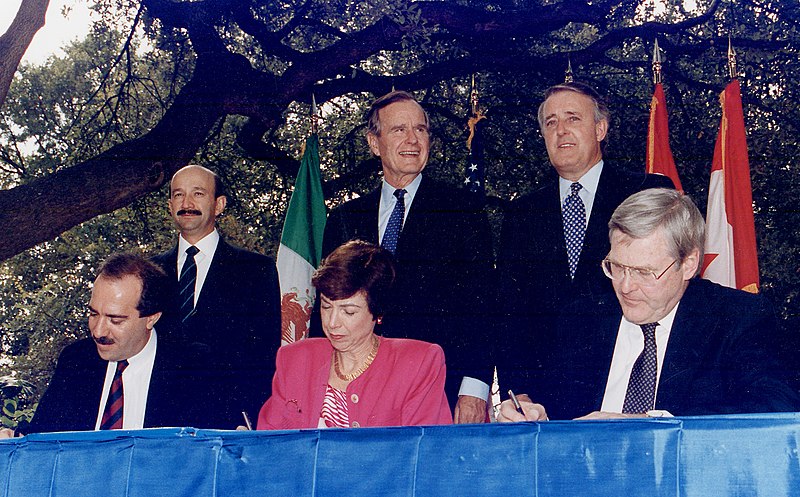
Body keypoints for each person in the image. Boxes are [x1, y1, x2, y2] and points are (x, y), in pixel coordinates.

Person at [497, 188, 800, 422]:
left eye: (643, 272)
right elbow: (555, 409)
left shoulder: (737, 318)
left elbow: (774, 408)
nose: (625, 286)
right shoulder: (582, 317)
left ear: (688, 263)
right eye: (616, 267)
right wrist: (536, 417)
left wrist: (648, 424)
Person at [322, 90, 495, 423]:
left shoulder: (463, 211)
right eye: (399, 129)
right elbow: (328, 308)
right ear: (375, 143)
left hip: (436, 389)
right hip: (354, 391)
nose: (413, 139)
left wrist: (474, 389)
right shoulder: (344, 218)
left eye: (421, 129)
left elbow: (482, 304)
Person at [497, 81, 674, 390]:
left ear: (600, 129)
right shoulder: (522, 213)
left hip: (626, 384)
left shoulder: (646, 192)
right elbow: (512, 313)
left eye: (572, 118)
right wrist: (519, 393)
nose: (561, 130)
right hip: (545, 397)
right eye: (551, 123)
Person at [257, 240, 452, 429]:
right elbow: (272, 441)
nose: (332, 322)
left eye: (348, 311)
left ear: (378, 312)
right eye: (326, 306)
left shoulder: (418, 363)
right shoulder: (293, 358)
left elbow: (426, 452)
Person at [152, 164, 280, 428]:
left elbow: (264, 355)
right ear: (169, 205)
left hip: (228, 422)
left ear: (219, 205)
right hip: (157, 422)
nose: (186, 203)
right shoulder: (148, 272)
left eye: (197, 194)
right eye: (178, 194)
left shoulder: (256, 270)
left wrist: (251, 418)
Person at [25, 253, 208, 434]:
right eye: (94, 314)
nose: (98, 332)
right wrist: (12, 436)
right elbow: (41, 436)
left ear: (151, 318)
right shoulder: (76, 360)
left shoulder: (194, 368)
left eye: (116, 320)